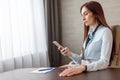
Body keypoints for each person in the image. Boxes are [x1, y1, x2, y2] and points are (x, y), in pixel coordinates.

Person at [58, 1, 113, 77]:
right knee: (59, 71)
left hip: (96, 74)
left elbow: (104, 62)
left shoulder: (105, 32)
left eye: (86, 14)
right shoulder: (89, 34)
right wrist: (69, 53)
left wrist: (83, 68)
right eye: (82, 15)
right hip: (86, 71)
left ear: (95, 13)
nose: (83, 18)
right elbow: (82, 60)